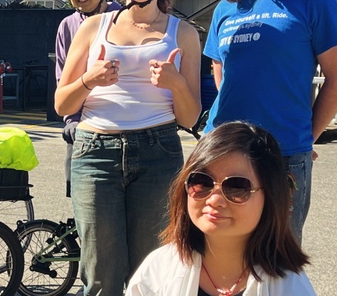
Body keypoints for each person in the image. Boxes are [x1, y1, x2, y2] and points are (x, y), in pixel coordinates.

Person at [55, 0, 202, 295]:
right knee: (100, 277)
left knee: (151, 274)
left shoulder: (183, 33)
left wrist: (175, 83)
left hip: (159, 153)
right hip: (94, 154)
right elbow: (61, 104)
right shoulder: (92, 28)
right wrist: (91, 80)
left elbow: (189, 117)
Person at [204, 0, 337, 242]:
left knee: (276, 263)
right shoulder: (225, 7)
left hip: (283, 156)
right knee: (221, 252)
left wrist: (305, 137)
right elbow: (219, 67)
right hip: (224, 151)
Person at [126, 121, 315, 296]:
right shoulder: (157, 272)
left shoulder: (290, 287)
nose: (215, 199)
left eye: (237, 187)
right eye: (201, 182)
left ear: (271, 196)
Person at [56, 0, 122, 197]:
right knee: (82, 205)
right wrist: (71, 121)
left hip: (118, 123)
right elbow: (63, 77)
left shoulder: (123, 18)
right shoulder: (68, 25)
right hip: (82, 126)